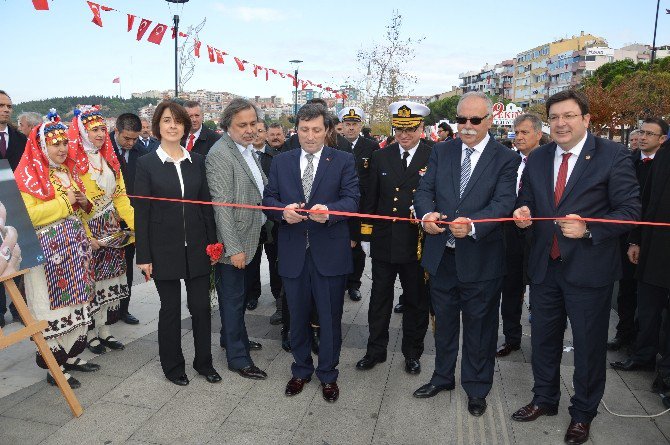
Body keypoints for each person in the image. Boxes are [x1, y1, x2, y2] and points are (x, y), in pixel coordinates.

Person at [511, 90, 640, 444]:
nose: (561, 123)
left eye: (569, 116)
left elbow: (630, 211)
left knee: (587, 346)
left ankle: (583, 413)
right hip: (544, 267)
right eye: (554, 117)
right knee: (543, 340)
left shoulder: (613, 155)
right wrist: (522, 213)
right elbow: (527, 200)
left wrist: (590, 229)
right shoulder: (537, 159)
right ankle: (544, 399)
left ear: (586, 119)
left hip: (590, 270)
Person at [413, 91, 521, 418]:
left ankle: (476, 388)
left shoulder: (506, 158)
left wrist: (473, 226)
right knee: (444, 324)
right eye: (462, 119)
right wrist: (426, 217)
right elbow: (425, 191)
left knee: (480, 329)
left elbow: (503, 203)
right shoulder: (441, 151)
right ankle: (443, 377)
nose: (468, 126)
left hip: (482, 260)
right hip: (443, 258)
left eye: (475, 120)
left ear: (489, 120)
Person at [263, 103, 359, 403]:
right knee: (297, 317)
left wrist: (330, 211)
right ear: (297, 129)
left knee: (330, 319)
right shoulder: (282, 162)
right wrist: (282, 212)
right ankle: (301, 369)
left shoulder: (343, 160)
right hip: (293, 254)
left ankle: (328, 375)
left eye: (316, 130)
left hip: (329, 254)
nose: (310, 136)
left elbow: (353, 199)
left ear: (327, 130)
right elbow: (269, 199)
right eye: (304, 130)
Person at [134, 101, 220, 386]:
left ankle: (204, 362)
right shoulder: (146, 164)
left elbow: (206, 206)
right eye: (167, 120)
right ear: (158, 125)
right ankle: (173, 366)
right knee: (170, 308)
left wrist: (213, 244)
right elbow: (142, 212)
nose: (173, 126)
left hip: (196, 246)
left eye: (178, 121)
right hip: (163, 249)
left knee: (201, 307)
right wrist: (143, 256)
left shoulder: (197, 161)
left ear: (185, 127)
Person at [16, 111, 98, 389]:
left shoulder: (66, 171)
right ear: (41, 146)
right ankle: (54, 366)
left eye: (65, 143)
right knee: (50, 307)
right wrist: (66, 204)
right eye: (55, 144)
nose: (62, 149)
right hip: (46, 256)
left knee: (75, 301)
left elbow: (79, 210)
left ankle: (70, 356)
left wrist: (84, 202)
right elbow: (28, 217)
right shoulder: (28, 177)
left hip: (73, 251)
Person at [355, 101, 431, 375]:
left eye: (410, 129)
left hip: (417, 243)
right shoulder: (381, 156)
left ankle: (412, 353)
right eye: (399, 129)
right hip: (385, 240)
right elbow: (370, 198)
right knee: (379, 299)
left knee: (415, 301)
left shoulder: (433, 155)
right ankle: (375, 350)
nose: (404, 135)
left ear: (421, 128)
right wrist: (365, 233)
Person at [206, 98, 268, 380]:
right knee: (232, 301)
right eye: (242, 125)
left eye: (253, 123)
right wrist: (233, 250)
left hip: (251, 237)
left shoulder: (248, 151)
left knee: (239, 299)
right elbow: (222, 205)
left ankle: (234, 339)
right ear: (227, 125)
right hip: (235, 243)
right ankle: (238, 358)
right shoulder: (221, 154)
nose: (249, 129)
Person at [68, 106, 134, 355]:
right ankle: (90, 333)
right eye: (93, 129)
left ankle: (104, 329)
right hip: (89, 231)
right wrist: (87, 235)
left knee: (108, 281)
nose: (99, 134)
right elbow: (74, 205)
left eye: (102, 129)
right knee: (92, 284)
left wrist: (138, 225)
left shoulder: (108, 159)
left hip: (111, 227)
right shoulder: (72, 163)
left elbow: (121, 197)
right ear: (82, 131)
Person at [610, 118, 669, 370]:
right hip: (640, 241)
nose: (642, 137)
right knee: (635, 296)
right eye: (641, 132)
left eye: (649, 133)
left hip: (655, 243)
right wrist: (634, 238)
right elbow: (640, 201)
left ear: (662, 138)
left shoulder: (662, 160)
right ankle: (633, 343)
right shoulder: (636, 161)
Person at [496, 113, 543, 358]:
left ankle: (544, 341)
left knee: (541, 289)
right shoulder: (511, 161)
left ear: (539, 134)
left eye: (525, 132)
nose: (519, 137)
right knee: (511, 289)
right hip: (510, 235)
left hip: (539, 236)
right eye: (517, 132)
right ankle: (512, 338)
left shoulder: (548, 161)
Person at [337, 107, 380, 302]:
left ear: (360, 125)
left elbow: (374, 179)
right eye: (347, 124)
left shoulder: (371, 147)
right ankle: (339, 281)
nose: (351, 128)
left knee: (358, 246)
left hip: (361, 205)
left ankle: (354, 284)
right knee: (338, 242)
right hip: (339, 202)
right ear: (342, 126)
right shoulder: (334, 145)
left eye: (354, 124)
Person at [110, 113, 144, 325]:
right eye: (126, 139)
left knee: (127, 267)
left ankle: (123, 309)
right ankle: (105, 311)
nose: (131, 143)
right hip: (109, 219)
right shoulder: (104, 152)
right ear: (116, 131)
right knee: (107, 267)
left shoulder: (143, 152)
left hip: (133, 218)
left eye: (135, 139)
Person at [249, 121, 283, 323]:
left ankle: (277, 293)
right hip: (251, 217)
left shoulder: (277, 158)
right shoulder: (244, 157)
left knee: (274, 258)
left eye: (261, 130)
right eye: (255, 130)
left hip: (271, 219)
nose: (256, 134)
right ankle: (253, 294)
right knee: (252, 257)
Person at [0, 90, 27, 326]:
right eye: (1, 105)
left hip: (18, 206)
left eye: (9, 106)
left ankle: (18, 307)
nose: (6, 109)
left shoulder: (20, 139)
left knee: (17, 255)